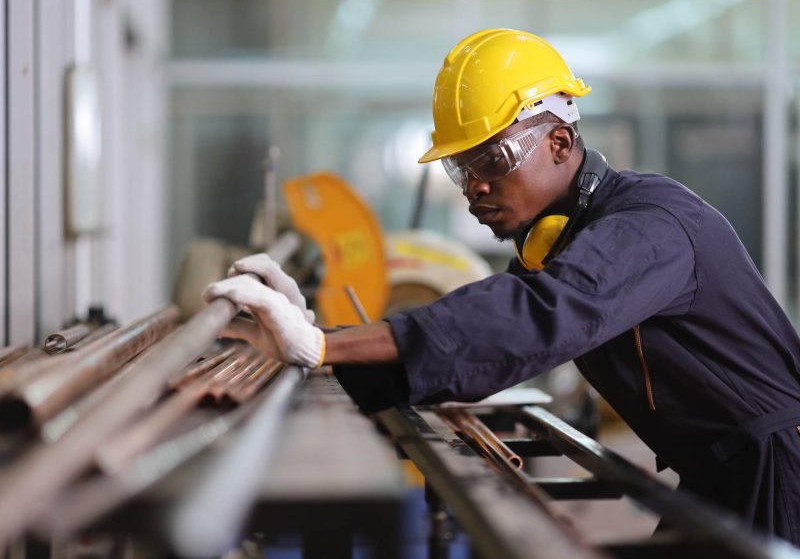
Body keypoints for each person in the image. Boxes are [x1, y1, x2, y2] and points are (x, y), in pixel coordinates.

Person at [202, 28, 800, 544]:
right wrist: (318, 340)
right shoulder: (564, 236)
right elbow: (488, 342)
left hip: (778, 475)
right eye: (461, 169)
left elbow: (533, 318)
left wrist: (323, 346)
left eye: (493, 160)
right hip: (724, 472)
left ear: (560, 143)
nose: (475, 188)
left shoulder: (649, 225)